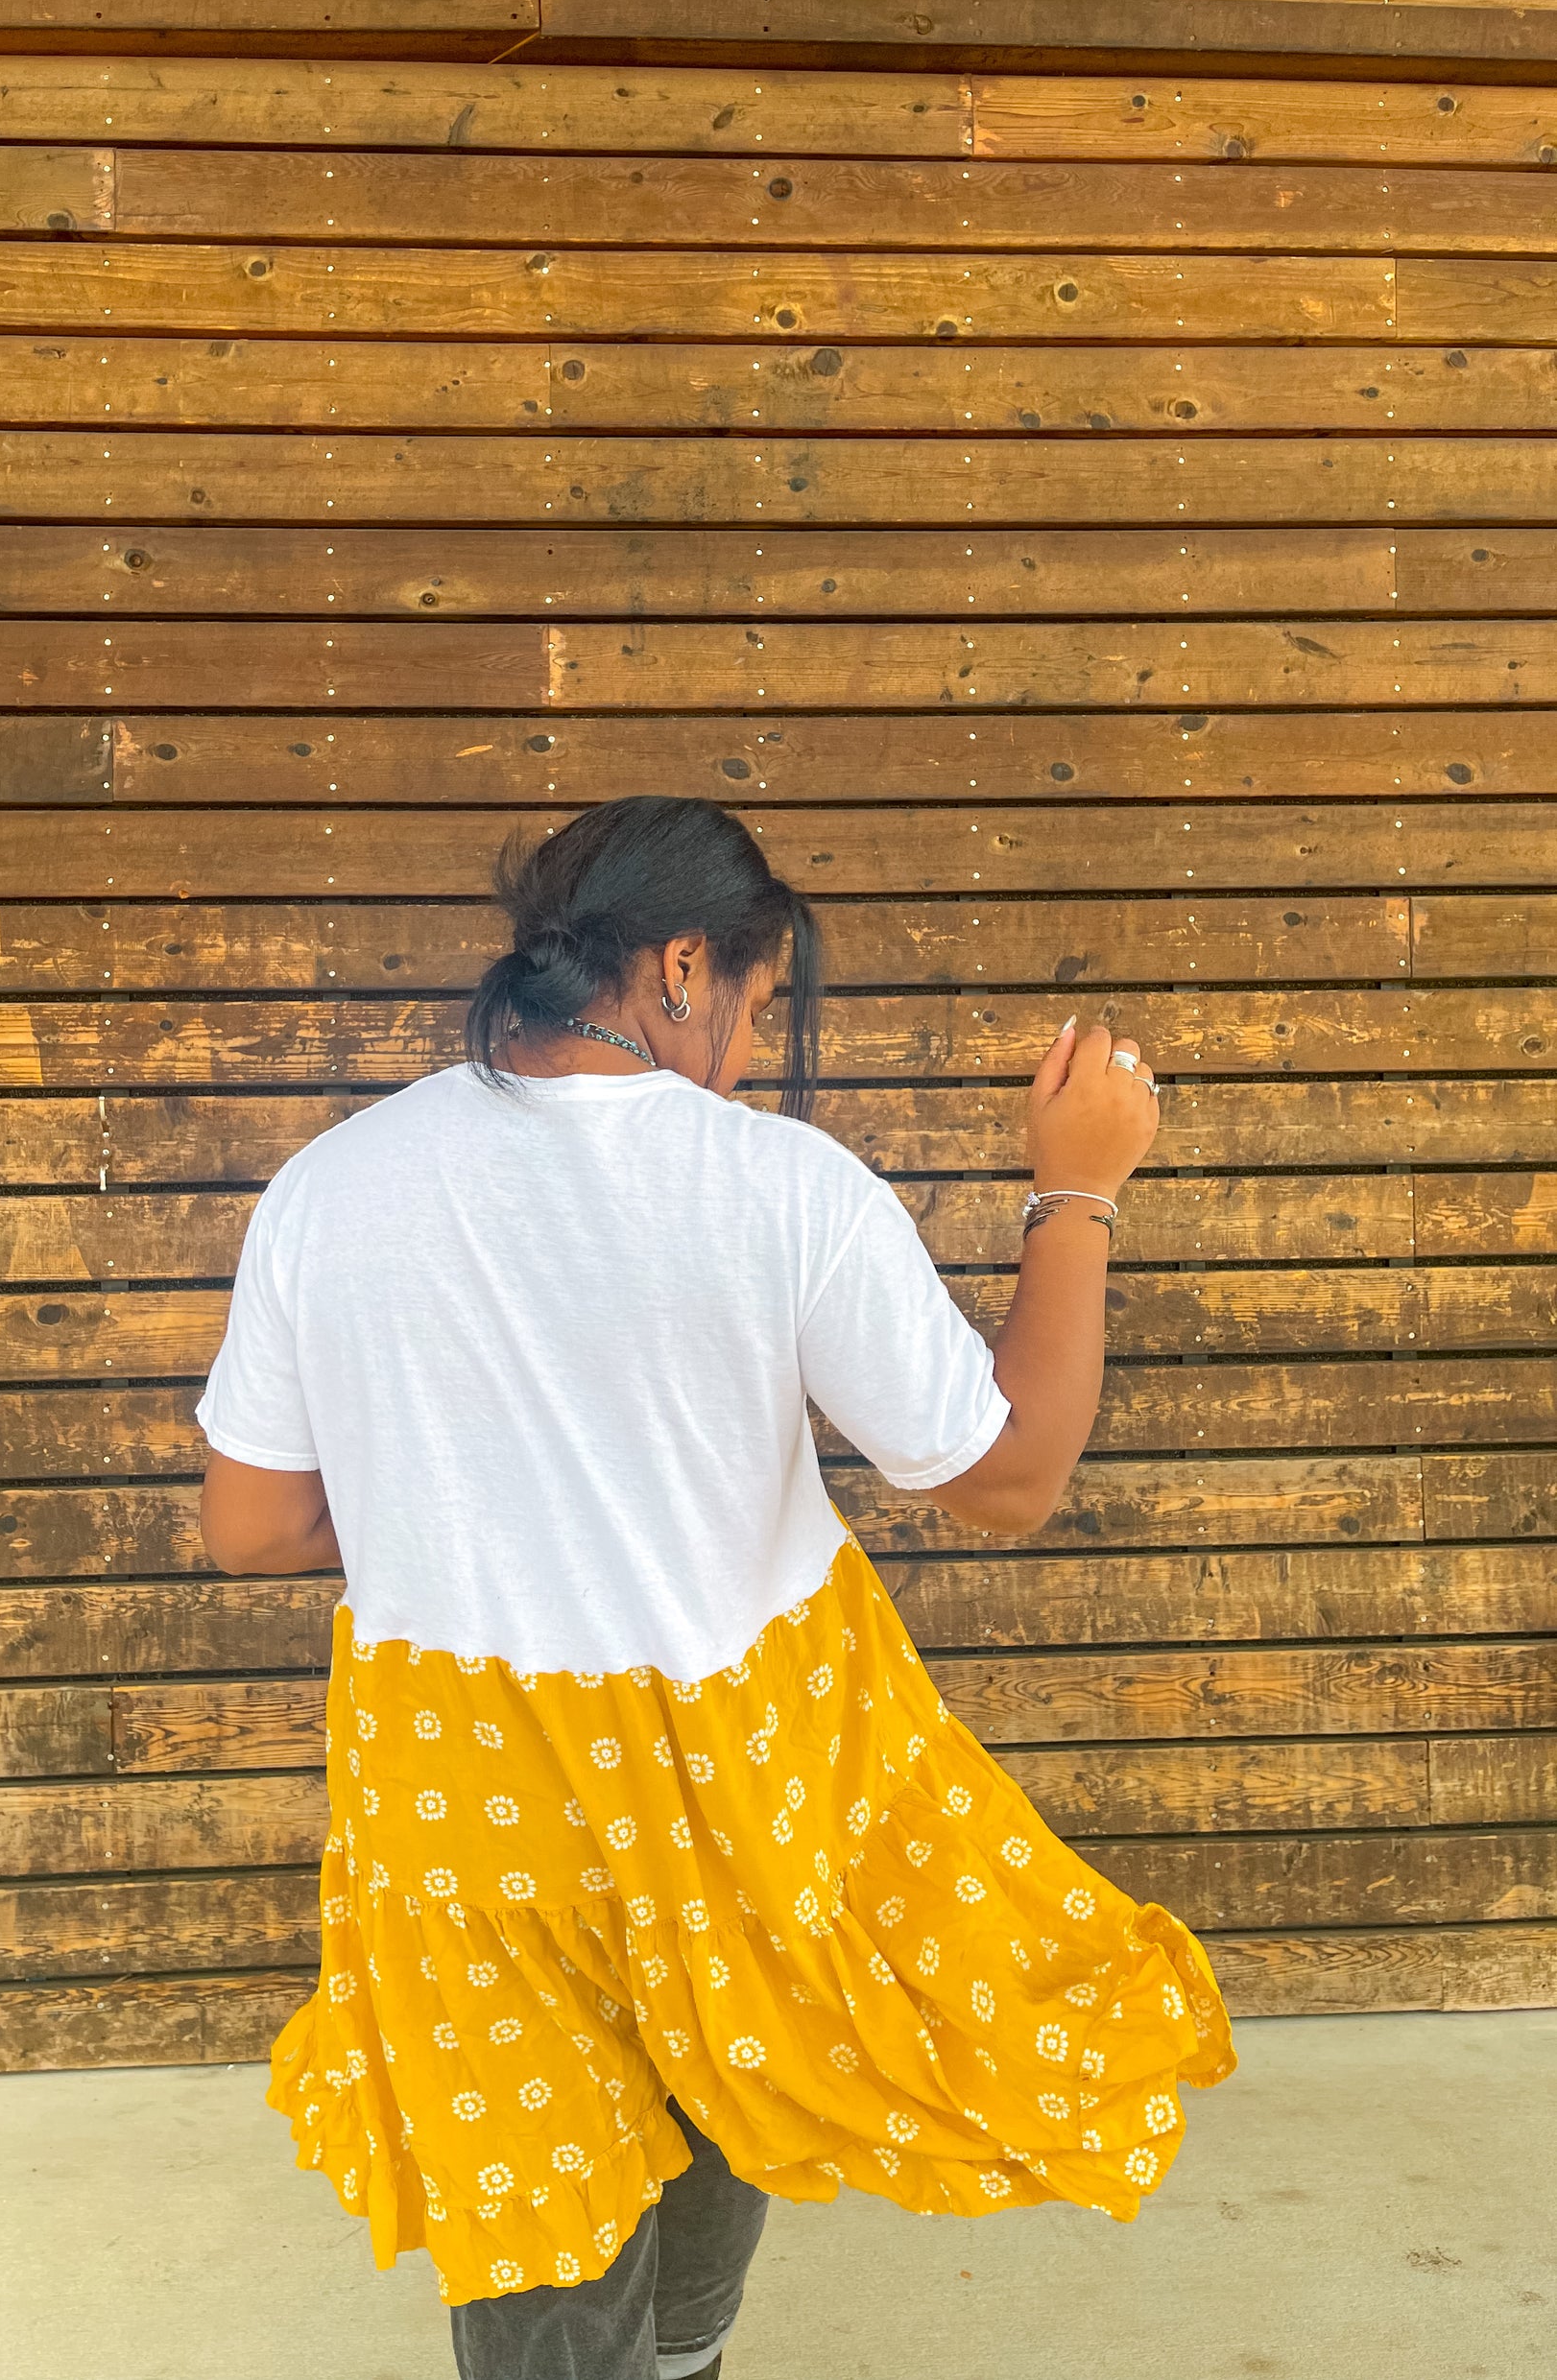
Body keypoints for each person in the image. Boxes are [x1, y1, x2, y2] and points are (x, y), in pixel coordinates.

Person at [198, 796, 1234, 2380]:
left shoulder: (331, 1184)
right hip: (733, 1744)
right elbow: (1006, 1478)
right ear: (683, 964)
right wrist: (1074, 1189)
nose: (749, 1048)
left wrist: (472, 1501)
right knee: (725, 2047)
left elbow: (255, 1526)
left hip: (458, 1774)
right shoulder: (779, 1187)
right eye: (756, 1004)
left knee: (524, 2164)